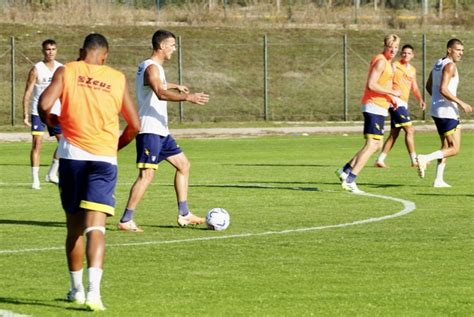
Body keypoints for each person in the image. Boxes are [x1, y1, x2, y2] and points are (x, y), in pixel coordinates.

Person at [38, 33, 140, 311]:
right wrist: (114, 147)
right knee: (97, 228)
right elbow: (134, 125)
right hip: (104, 160)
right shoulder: (117, 78)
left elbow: (45, 105)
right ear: (105, 56)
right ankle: (95, 294)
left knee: (74, 229)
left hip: (72, 158)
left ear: (82, 51)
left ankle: (76, 290)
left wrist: (52, 125)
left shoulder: (67, 70)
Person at [117, 29, 209, 232]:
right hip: (149, 130)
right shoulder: (151, 67)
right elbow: (159, 92)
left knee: (183, 165)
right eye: (172, 45)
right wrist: (188, 97)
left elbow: (159, 84)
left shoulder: (154, 67)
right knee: (146, 175)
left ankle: (184, 214)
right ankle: (126, 219)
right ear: (161, 46)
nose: (174, 50)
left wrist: (175, 86)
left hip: (161, 131)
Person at [335, 34, 401, 193]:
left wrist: (390, 98)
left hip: (379, 106)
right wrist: (392, 92)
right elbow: (371, 84)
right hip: (373, 106)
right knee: (372, 145)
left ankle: (345, 170)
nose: (393, 50)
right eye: (390, 46)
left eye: (396, 47)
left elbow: (380, 85)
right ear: (385, 46)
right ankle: (350, 179)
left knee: (377, 145)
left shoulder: (387, 62)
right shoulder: (380, 62)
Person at [416, 39, 472, 187]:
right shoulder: (449, 65)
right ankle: (425, 158)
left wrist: (436, 101)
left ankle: (438, 179)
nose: (461, 53)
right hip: (447, 112)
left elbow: (429, 85)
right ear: (449, 50)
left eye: (462, 50)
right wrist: (461, 103)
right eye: (458, 50)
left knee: (446, 146)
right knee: (454, 149)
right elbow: (443, 89)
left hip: (438, 111)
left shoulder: (438, 63)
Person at [375, 44, 426, 168]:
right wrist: (390, 96)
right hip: (395, 102)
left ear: (412, 55)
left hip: (404, 103)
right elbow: (387, 81)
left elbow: (414, 86)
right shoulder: (395, 65)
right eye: (404, 53)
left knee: (394, 133)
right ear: (401, 54)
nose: (406, 55)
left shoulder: (412, 70)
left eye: (409, 53)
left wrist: (420, 99)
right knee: (410, 130)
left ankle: (380, 160)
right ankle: (414, 160)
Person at [23, 39, 63, 189]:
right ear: (43, 51)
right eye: (47, 49)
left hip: (56, 112)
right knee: (37, 144)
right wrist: (25, 112)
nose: (50, 52)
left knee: (64, 143)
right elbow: (28, 92)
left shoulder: (61, 68)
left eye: (53, 49)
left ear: (56, 50)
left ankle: (52, 173)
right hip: (38, 112)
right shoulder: (36, 69)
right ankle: (35, 180)